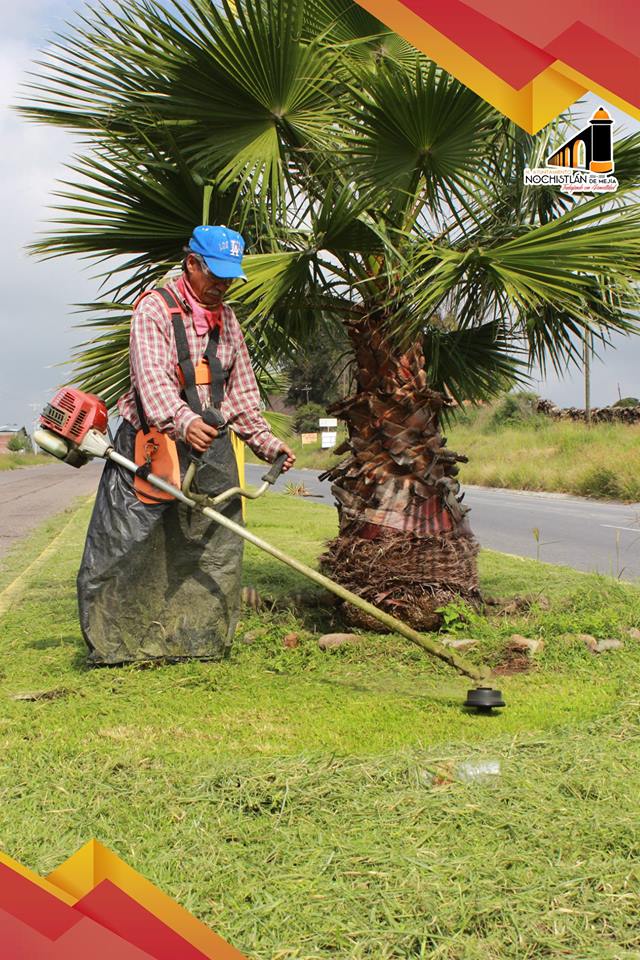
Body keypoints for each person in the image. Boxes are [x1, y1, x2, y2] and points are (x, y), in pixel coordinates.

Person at [77, 225, 295, 664]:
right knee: (129, 547)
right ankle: (117, 646)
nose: (222, 285)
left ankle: (198, 640)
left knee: (211, 548)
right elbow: (152, 381)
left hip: (210, 448)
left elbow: (242, 396)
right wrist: (183, 420)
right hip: (150, 444)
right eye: (214, 273)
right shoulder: (153, 310)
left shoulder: (228, 320)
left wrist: (267, 443)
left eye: (229, 277)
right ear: (191, 263)